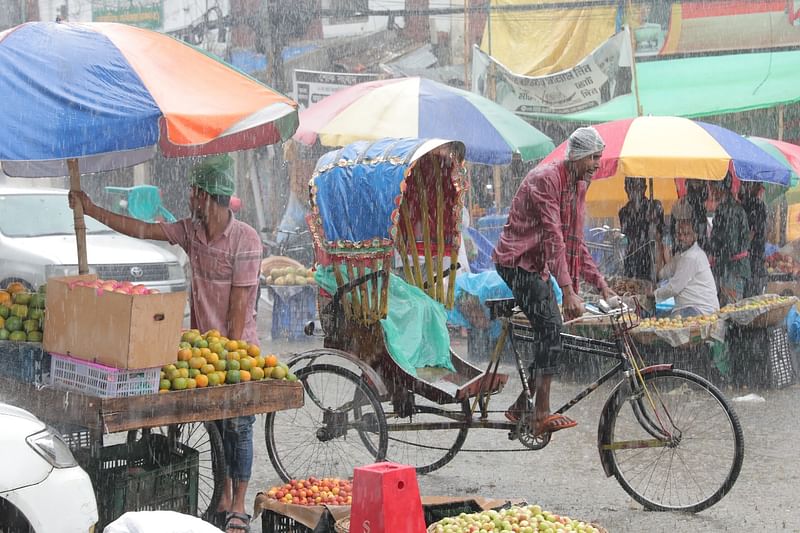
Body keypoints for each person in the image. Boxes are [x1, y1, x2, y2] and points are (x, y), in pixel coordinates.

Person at [70, 155, 262, 533]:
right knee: (216, 425)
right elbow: (142, 229)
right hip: (203, 349)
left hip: (236, 350)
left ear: (207, 196)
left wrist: (228, 361)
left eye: (194, 192)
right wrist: (91, 210)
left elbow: (239, 312)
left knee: (238, 425)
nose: (189, 197)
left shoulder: (246, 240)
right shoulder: (191, 232)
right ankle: (222, 497)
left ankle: (238, 503)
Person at [493, 126, 616, 437]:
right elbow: (553, 236)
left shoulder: (578, 186)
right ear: (576, 156)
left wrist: (600, 283)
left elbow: (575, 241)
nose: (596, 165)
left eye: (599, 158)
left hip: (539, 267)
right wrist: (567, 291)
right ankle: (540, 413)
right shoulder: (545, 179)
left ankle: (523, 404)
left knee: (550, 332)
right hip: (516, 262)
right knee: (550, 327)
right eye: (593, 158)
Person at [655, 209, 719, 317]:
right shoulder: (681, 255)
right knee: (660, 318)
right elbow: (661, 274)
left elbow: (673, 288)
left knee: (662, 324)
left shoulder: (692, 256)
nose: (681, 238)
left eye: (686, 234)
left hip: (700, 310)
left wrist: (653, 294)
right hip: (688, 308)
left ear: (695, 236)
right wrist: (660, 247)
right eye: (679, 234)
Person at [708, 173, 751, 306]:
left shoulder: (729, 211)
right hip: (732, 268)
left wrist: (716, 257)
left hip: (733, 270)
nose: (711, 191)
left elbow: (730, 246)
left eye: (712, 187)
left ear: (720, 188)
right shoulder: (727, 208)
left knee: (731, 310)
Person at [618, 177, 665, 281]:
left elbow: (660, 235)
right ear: (626, 189)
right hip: (631, 260)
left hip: (651, 259)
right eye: (632, 187)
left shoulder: (655, 206)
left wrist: (654, 220)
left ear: (645, 188)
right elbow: (628, 236)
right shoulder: (623, 212)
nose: (635, 191)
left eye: (639, 187)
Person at [739, 181, 768, 297]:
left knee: (748, 297)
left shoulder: (746, 205)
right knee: (753, 298)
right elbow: (753, 232)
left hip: (749, 259)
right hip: (753, 259)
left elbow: (752, 232)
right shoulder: (756, 205)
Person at [670, 179, 710, 253]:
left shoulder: (702, 206)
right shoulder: (680, 206)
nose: (696, 186)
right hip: (686, 251)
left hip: (692, 250)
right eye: (696, 182)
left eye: (699, 183)